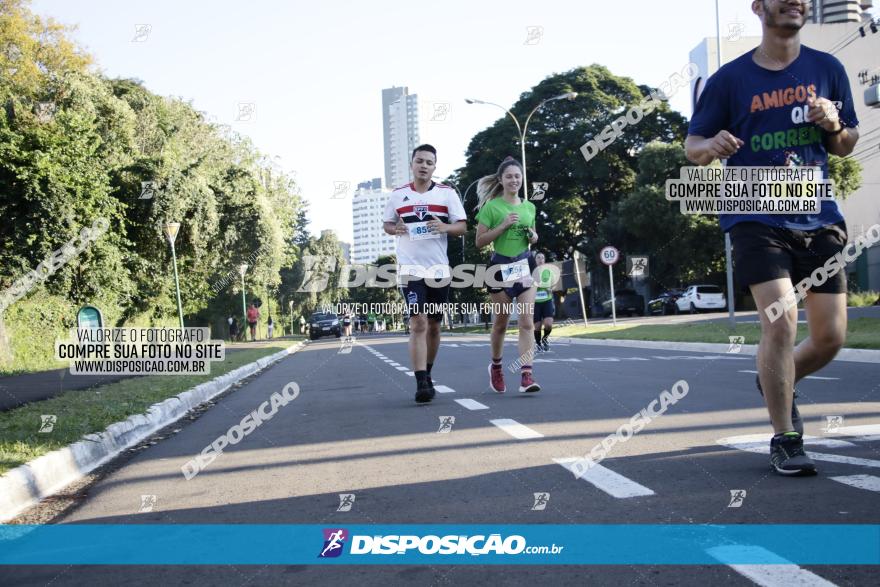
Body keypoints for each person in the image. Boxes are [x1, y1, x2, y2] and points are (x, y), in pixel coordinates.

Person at [685, 0, 860, 477]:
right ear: (759, 7)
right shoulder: (729, 79)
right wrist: (712, 146)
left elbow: (846, 145)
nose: (796, 1)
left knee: (829, 338)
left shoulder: (828, 69)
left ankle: (776, 379)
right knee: (781, 324)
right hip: (753, 212)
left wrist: (833, 124)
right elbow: (693, 145)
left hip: (817, 212)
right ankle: (785, 437)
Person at [383, 144, 467, 403]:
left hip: (438, 268)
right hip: (409, 269)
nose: (423, 166)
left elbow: (462, 227)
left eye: (429, 162)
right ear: (412, 164)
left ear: (434, 167)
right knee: (417, 322)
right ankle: (420, 381)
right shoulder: (397, 195)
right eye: (419, 161)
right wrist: (394, 228)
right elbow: (387, 224)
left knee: (433, 325)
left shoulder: (447, 194)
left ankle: (428, 373)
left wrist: (444, 226)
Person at [475, 156, 541, 394]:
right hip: (499, 268)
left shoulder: (529, 207)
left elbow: (533, 235)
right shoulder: (492, 207)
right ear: (501, 180)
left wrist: (534, 237)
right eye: (509, 176)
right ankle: (496, 367)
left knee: (526, 322)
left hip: (525, 265)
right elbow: (480, 242)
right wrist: (502, 226)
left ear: (522, 179)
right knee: (501, 324)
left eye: (517, 176)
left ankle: (526, 376)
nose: (514, 180)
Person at [533, 252, 556, 352]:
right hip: (535, 302)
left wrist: (551, 289)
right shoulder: (531, 272)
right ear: (535, 260)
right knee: (537, 326)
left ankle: (545, 339)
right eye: (538, 257)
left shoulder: (548, 271)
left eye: (542, 258)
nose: (540, 259)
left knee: (548, 324)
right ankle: (538, 344)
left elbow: (554, 284)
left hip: (547, 300)